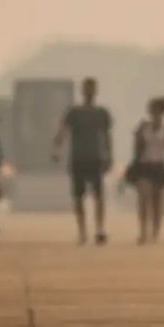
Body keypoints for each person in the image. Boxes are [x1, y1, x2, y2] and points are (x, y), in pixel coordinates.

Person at [53, 77, 113, 245]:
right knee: (78, 197)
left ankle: (100, 229)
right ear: (82, 91)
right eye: (87, 88)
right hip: (78, 157)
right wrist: (57, 149)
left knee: (99, 195)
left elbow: (107, 136)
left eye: (92, 89)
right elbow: (62, 131)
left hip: (95, 157)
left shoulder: (102, 113)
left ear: (95, 91)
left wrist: (109, 156)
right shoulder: (74, 112)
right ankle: (82, 231)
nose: (89, 92)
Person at [129, 97, 164, 245]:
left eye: (158, 111)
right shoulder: (143, 128)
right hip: (144, 166)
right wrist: (138, 136)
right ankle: (143, 232)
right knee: (143, 198)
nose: (155, 114)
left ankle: (155, 233)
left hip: (159, 166)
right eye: (153, 111)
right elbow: (136, 148)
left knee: (157, 201)